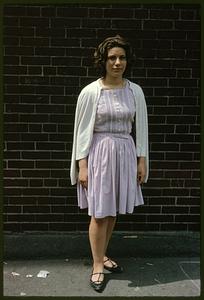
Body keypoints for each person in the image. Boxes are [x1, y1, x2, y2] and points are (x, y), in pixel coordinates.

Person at [70, 35, 149, 292]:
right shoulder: (91, 92)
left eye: (122, 57)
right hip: (99, 155)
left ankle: (103, 255)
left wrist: (141, 160)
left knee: (112, 210)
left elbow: (142, 129)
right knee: (99, 212)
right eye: (112, 58)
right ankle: (96, 265)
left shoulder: (134, 91)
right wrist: (82, 165)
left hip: (125, 153)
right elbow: (82, 132)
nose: (117, 63)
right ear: (103, 61)